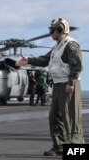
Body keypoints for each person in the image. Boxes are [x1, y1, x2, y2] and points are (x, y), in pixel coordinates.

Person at [15, 18, 84, 156]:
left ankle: (77, 151)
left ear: (60, 30)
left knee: (72, 118)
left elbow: (76, 66)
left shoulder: (71, 45)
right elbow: (44, 60)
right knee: (54, 117)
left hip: (68, 84)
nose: (50, 33)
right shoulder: (57, 46)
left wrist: (71, 82)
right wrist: (28, 60)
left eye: (52, 30)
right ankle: (58, 146)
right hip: (58, 84)